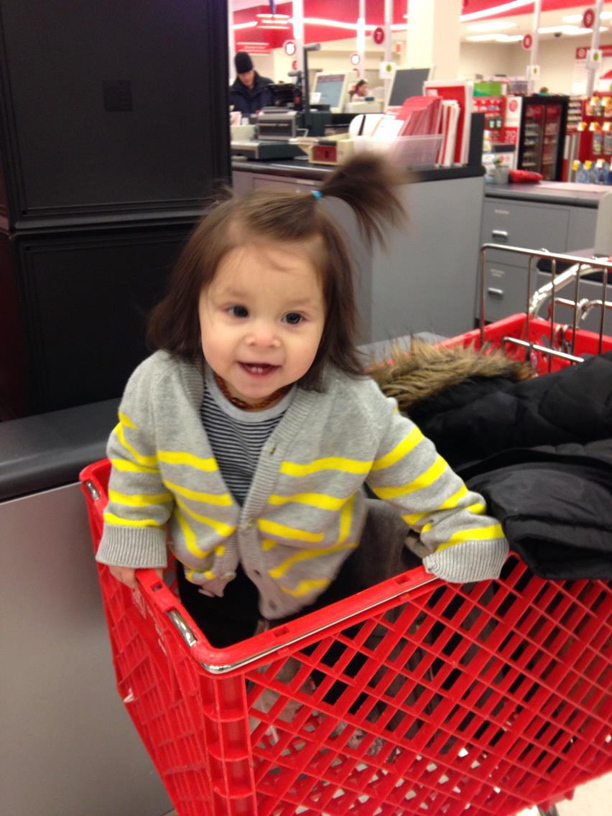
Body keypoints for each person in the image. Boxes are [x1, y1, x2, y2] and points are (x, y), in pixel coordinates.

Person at [96, 153, 509, 648]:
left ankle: (342, 714)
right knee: (223, 668)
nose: (264, 337)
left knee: (341, 673)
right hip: (209, 576)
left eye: (293, 318)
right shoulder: (162, 386)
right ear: (196, 307)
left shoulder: (352, 406)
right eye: (238, 311)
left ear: (327, 324)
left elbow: (419, 474)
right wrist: (133, 534)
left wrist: (464, 530)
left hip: (318, 578)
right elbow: (137, 464)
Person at [229, 51, 274, 116]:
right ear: (238, 74)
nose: (246, 78)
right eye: (242, 75)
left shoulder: (268, 87)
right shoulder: (231, 94)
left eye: (248, 73)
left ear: (253, 69)